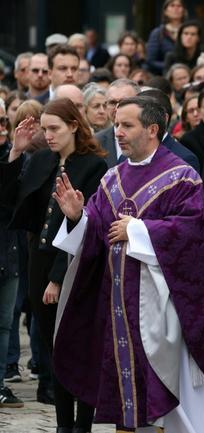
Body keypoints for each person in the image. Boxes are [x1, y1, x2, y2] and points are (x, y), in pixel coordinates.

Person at [49, 95, 204, 432]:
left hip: (160, 309)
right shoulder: (112, 178)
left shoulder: (182, 177)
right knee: (126, 398)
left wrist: (138, 230)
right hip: (117, 308)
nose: (118, 133)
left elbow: (193, 232)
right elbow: (98, 231)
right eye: (116, 125)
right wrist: (77, 218)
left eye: (127, 125)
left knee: (164, 396)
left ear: (153, 129)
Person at [1, 98, 108, 432]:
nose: (47, 135)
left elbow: (91, 224)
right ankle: (64, 423)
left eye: (54, 129)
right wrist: (15, 154)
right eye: (44, 129)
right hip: (39, 261)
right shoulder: (41, 159)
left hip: (76, 262)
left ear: (74, 126)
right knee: (53, 348)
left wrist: (59, 278)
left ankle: (83, 423)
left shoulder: (93, 165)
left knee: (79, 346)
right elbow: (9, 203)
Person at [0, 100, 23, 409]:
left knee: (4, 323)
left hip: (8, 251)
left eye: (3, 121)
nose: (2, 128)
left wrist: (16, 154)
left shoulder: (17, 156)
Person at [95, 79, 141, 167]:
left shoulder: (150, 138)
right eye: (112, 102)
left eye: (123, 102)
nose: (117, 108)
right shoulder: (95, 142)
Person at [146, 0, 186, 75]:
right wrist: (171, 67)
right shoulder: (157, 33)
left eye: (179, 6)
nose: (176, 8)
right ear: (165, 11)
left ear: (183, 10)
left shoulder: (190, 31)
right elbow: (150, 61)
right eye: (172, 5)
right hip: (164, 76)